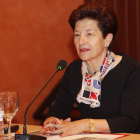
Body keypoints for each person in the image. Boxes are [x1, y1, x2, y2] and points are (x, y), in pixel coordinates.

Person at [40, 3, 140, 137]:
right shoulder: (74, 71)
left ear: (107, 39)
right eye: (77, 34)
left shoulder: (130, 70)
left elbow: (129, 122)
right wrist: (52, 122)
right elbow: (57, 111)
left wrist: (84, 124)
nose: (81, 41)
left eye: (89, 34)